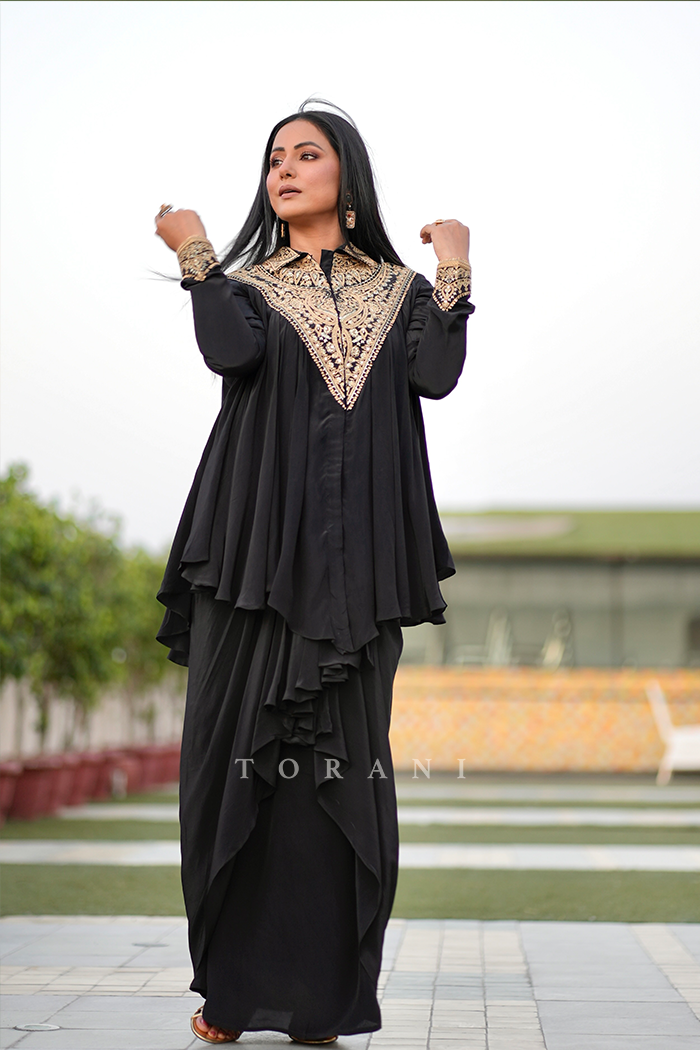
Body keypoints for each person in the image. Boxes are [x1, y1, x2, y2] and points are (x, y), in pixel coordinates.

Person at [154, 102, 474, 1045]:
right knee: (231, 761)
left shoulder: (401, 290)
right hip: (250, 560)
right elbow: (230, 351)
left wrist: (456, 268)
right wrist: (196, 252)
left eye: (306, 154)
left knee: (344, 773)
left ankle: (322, 1003)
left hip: (359, 572)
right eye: (273, 160)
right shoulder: (247, 287)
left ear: (347, 173)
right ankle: (232, 994)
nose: (285, 170)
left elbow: (435, 375)